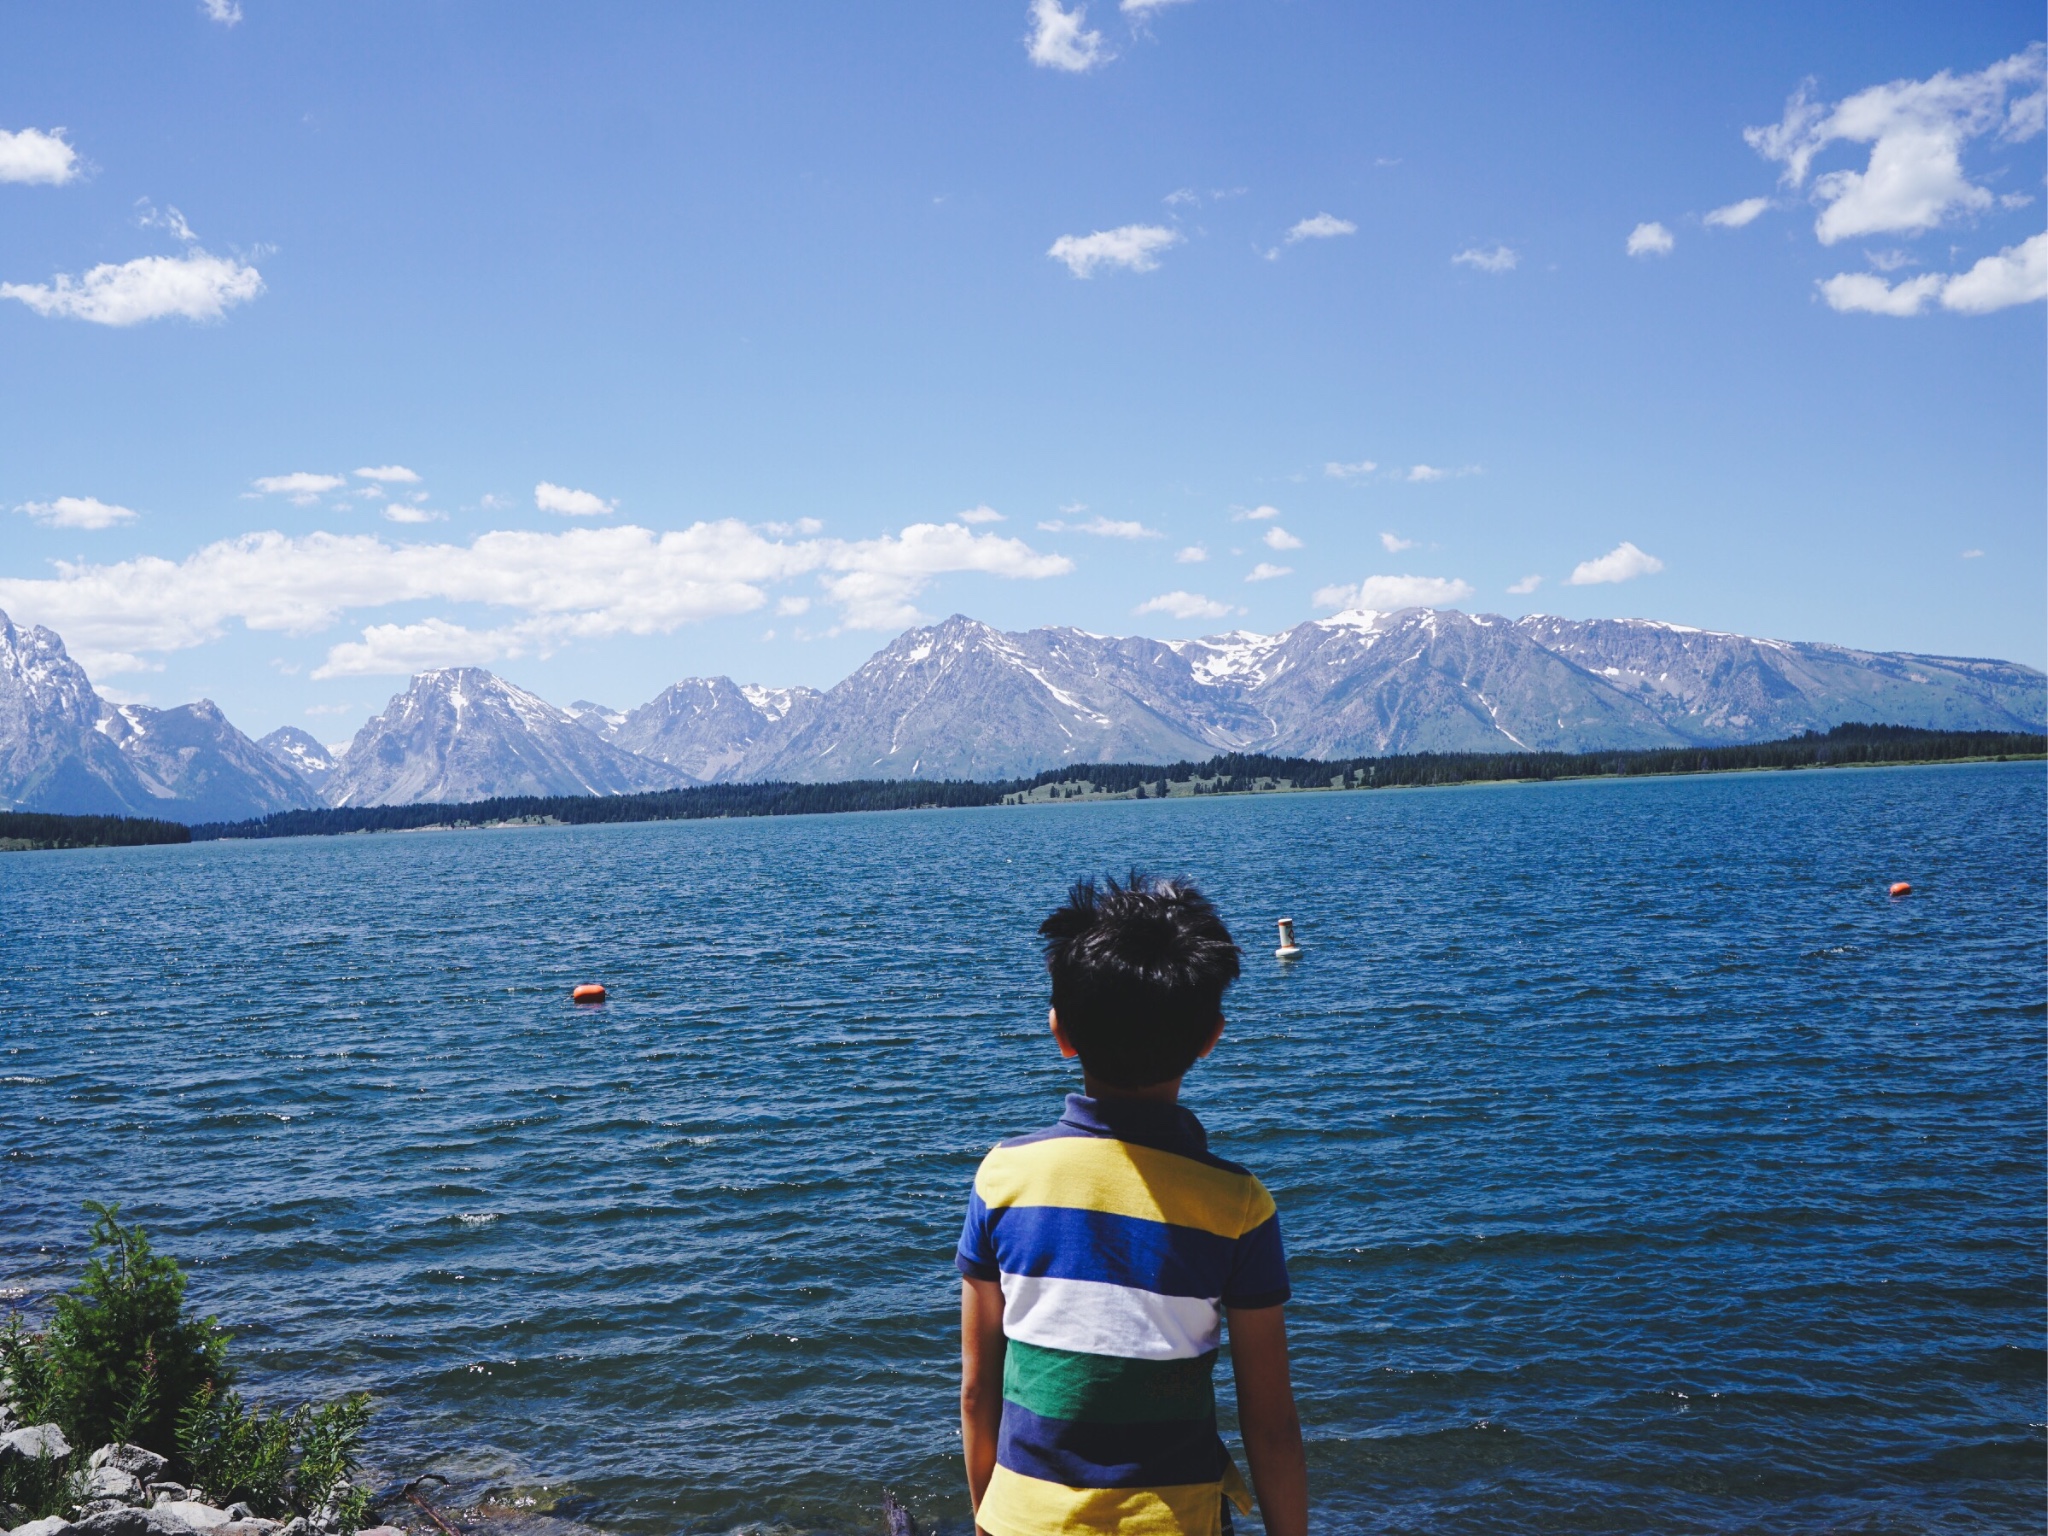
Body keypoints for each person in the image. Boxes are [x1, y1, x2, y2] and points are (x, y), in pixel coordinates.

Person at [957, 874, 1308, 1536]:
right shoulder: (1238, 1207)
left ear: (1060, 1032)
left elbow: (978, 1393)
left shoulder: (1001, 1180)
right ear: (1211, 1038)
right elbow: (1272, 1425)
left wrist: (989, 1515)